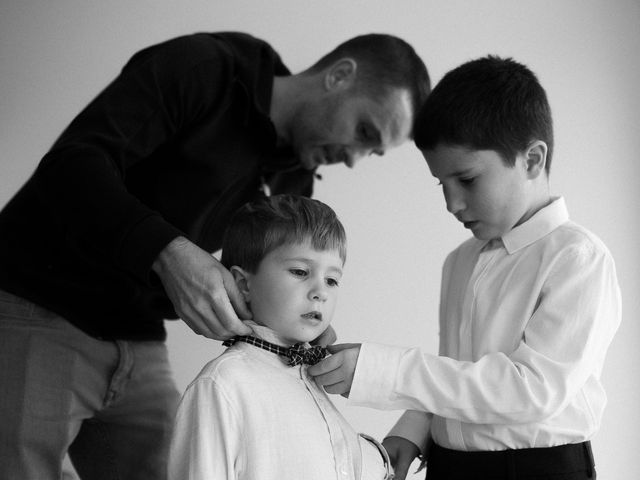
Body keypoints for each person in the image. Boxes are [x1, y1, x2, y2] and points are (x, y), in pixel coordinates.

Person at [0, 32, 429, 479]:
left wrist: (297, 325)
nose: (356, 159)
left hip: (137, 336)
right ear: (340, 76)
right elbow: (71, 165)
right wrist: (169, 252)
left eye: (372, 150)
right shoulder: (201, 69)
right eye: (364, 132)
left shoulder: (294, 181)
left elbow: (255, 285)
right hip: (37, 304)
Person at [309, 56, 621, 480]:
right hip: (449, 466)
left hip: (538, 470)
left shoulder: (577, 259)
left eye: (467, 180)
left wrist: (383, 371)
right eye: (442, 184)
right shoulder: (460, 261)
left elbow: (528, 389)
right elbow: (458, 370)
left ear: (531, 159)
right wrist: (413, 431)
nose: (452, 204)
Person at [168, 194, 394, 480]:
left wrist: (378, 461)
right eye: (300, 271)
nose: (320, 292)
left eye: (332, 280)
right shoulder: (222, 385)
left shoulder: (313, 376)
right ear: (243, 284)